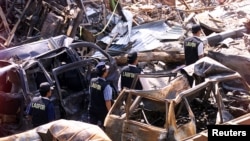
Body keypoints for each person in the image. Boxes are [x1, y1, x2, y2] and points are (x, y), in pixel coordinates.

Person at [88, 62, 113, 128]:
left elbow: (91, 93)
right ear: (104, 73)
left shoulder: (92, 81)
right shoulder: (106, 86)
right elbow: (108, 102)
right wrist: (110, 114)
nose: (107, 71)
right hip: (102, 113)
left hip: (92, 110)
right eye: (106, 70)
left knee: (92, 129)